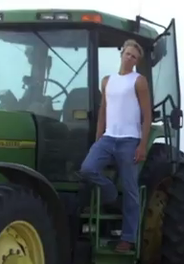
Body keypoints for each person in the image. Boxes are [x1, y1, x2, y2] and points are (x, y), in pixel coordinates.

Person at [77, 39, 152, 252]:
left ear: (137, 61)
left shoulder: (139, 81)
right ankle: (109, 193)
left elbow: (147, 116)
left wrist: (142, 145)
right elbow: (103, 111)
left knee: (130, 189)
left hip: (130, 140)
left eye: (134, 57)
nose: (130, 58)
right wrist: (98, 137)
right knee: (87, 168)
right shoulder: (107, 81)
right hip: (108, 139)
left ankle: (128, 239)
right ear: (121, 54)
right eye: (128, 54)